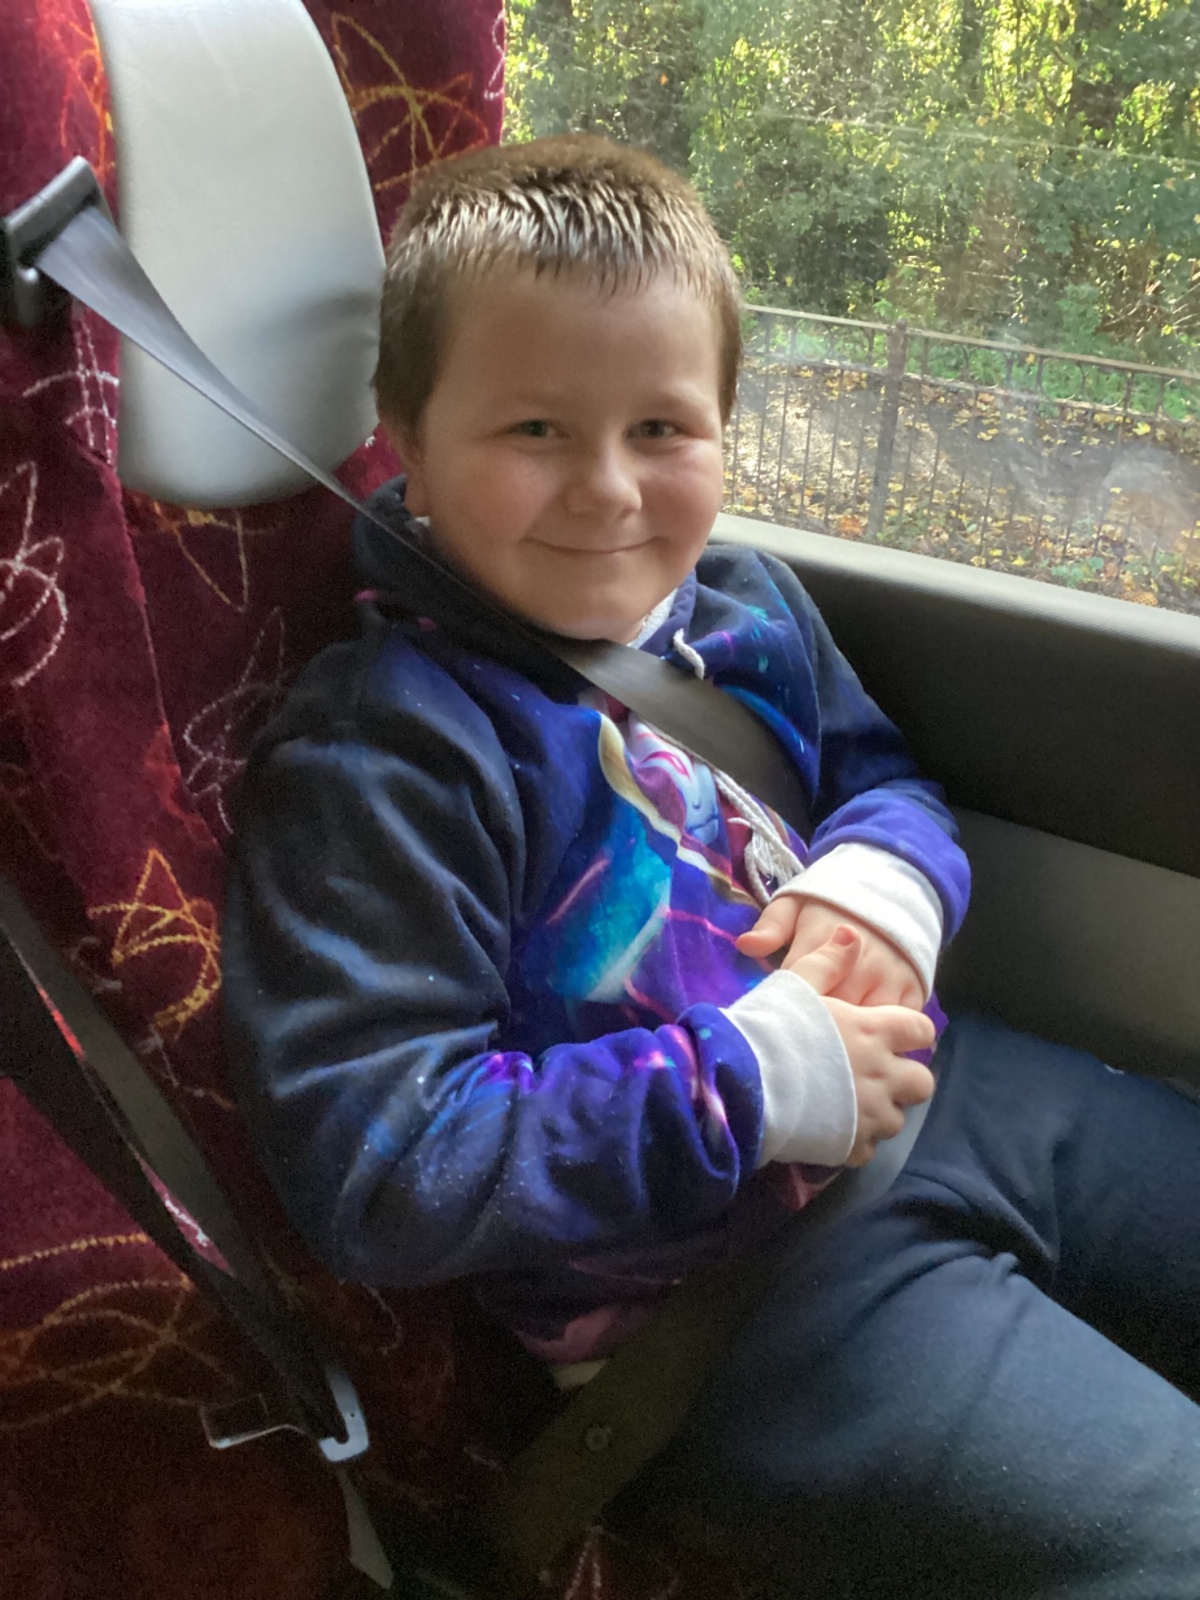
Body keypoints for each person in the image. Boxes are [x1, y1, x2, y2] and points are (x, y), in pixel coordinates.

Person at [223, 136, 1200, 1597]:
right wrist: (747, 1081)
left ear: (726, 429)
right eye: (535, 429)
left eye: (663, 428)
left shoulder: (746, 606)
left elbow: (883, 782)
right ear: (406, 439)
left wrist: (883, 885)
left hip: (948, 1093)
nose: (609, 490)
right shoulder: (387, 752)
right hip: (726, 1306)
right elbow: (382, 1164)